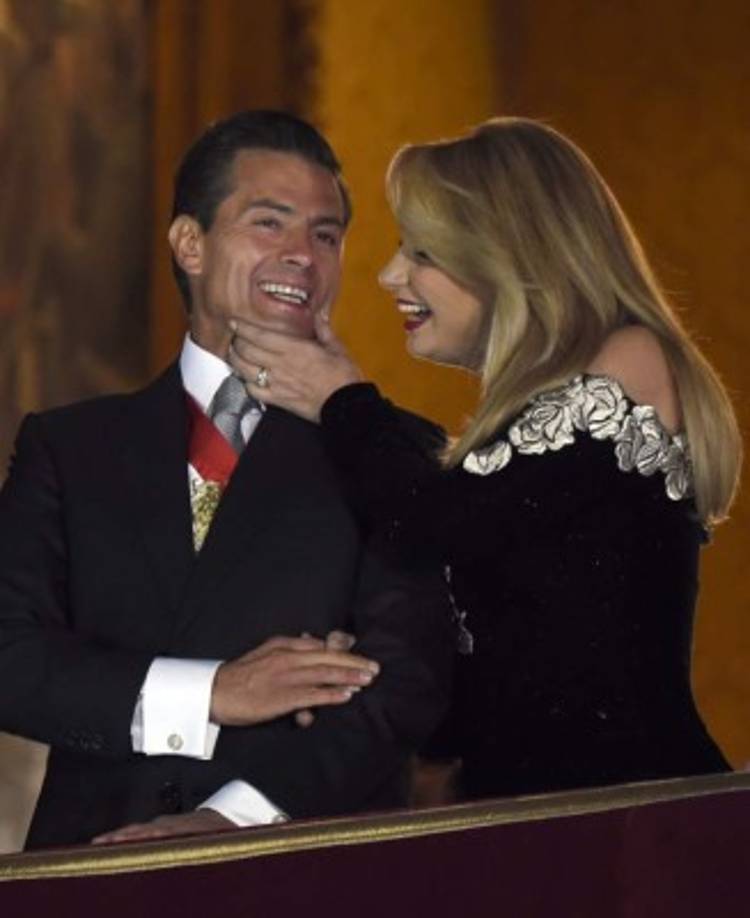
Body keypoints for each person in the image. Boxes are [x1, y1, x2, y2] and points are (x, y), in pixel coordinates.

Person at [228, 117, 742, 802]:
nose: (389, 275)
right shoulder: (524, 433)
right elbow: (501, 685)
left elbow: (427, 525)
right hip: (530, 826)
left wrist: (342, 400)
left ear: (511, 252)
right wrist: (356, 672)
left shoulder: (630, 356)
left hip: (635, 828)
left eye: (423, 253)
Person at [0, 110, 452, 849]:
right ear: (190, 243)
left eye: (326, 234)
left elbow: (406, 684)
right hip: (91, 873)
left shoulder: (396, 449)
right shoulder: (69, 445)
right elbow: (8, 656)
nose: (303, 255)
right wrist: (212, 692)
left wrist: (228, 821)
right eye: (269, 224)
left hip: (306, 870)